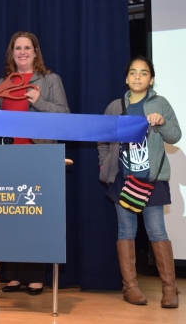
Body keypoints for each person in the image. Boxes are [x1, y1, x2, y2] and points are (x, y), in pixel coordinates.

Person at [98, 55, 181, 308]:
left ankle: (170, 289)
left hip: (152, 181)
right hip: (124, 181)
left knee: (157, 231)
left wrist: (163, 122)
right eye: (133, 72)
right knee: (126, 231)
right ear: (126, 78)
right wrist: (105, 164)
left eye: (143, 73)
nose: (137, 77)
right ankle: (130, 287)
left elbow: (175, 135)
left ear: (151, 78)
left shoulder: (160, 103)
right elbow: (102, 139)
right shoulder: (115, 107)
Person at [0, 31, 70, 295]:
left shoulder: (50, 80)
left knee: (34, 216)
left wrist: (41, 103)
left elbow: (64, 115)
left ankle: (35, 276)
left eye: (27, 48)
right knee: (9, 216)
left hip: (38, 155)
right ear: (11, 53)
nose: (22, 52)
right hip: (7, 158)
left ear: (35, 52)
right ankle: (13, 276)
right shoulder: (2, 83)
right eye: (18, 48)